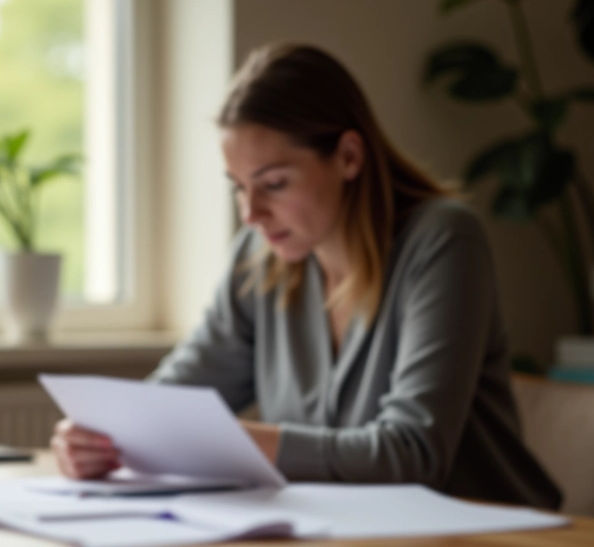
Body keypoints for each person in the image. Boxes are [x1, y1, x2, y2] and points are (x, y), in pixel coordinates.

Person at [50, 43, 562, 509]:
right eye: (238, 187)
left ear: (348, 157)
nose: (251, 213)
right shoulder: (259, 256)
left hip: (489, 534)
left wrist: (235, 441)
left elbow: (413, 453)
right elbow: (168, 403)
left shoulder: (445, 240)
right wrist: (101, 440)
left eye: (273, 184)